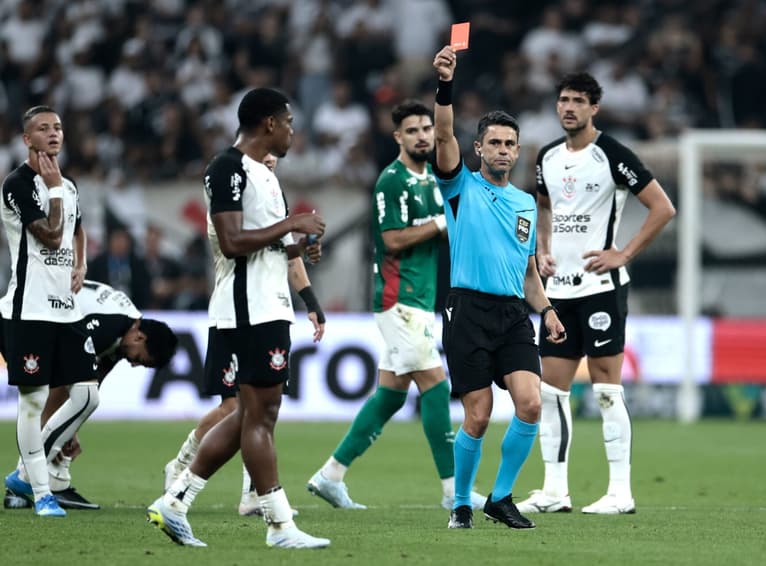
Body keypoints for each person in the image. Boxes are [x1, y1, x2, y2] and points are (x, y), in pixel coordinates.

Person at [145, 87, 329, 549]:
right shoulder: (227, 167)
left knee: (251, 412)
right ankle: (280, 525)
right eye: (287, 121)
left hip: (267, 304)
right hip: (249, 309)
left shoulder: (266, 176)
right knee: (262, 414)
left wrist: (298, 246)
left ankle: (177, 499)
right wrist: (292, 225)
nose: (292, 131)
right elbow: (231, 242)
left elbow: (264, 245)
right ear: (268, 123)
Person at [307, 100, 485, 511]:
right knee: (437, 388)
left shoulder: (432, 180)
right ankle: (453, 491)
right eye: (413, 130)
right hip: (398, 297)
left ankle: (330, 475)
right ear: (398, 137)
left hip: (420, 299)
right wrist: (442, 224)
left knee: (390, 395)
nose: (423, 135)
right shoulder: (392, 180)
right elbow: (392, 240)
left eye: (427, 128)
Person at [515, 72, 675, 516]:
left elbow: (663, 208)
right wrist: (543, 250)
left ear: (594, 108)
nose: (568, 107)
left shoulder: (613, 155)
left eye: (578, 101)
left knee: (607, 390)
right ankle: (554, 491)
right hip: (559, 293)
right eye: (563, 99)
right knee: (551, 393)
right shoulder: (546, 157)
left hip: (601, 289)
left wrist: (623, 253)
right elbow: (544, 207)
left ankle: (620, 493)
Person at [430, 46, 566, 530]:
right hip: (466, 310)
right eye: (495, 143)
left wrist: (547, 309)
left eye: (511, 144)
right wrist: (445, 84)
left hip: (513, 314)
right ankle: (462, 501)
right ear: (479, 149)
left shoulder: (527, 204)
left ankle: (501, 496)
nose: (504, 151)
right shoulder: (459, 188)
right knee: (479, 416)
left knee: (530, 402)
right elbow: (443, 132)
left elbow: (529, 275)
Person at [3, 279, 178, 511]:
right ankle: (27, 477)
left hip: (38, 314)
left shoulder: (122, 334)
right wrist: (55, 426)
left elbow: (91, 382)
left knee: (81, 398)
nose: (134, 365)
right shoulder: (108, 328)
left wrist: (68, 427)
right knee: (44, 400)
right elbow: (62, 380)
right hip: (25, 313)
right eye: (139, 359)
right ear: (139, 337)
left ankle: (30, 483)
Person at [0, 105, 98, 517]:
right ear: (27, 139)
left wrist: (82, 262)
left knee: (87, 394)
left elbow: (75, 229)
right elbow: (52, 236)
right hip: (30, 310)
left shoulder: (68, 185)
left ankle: (27, 474)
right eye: (43, 129)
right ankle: (41, 492)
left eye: (58, 126)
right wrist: (54, 188)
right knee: (33, 401)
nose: (54, 133)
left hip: (66, 310)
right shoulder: (17, 184)